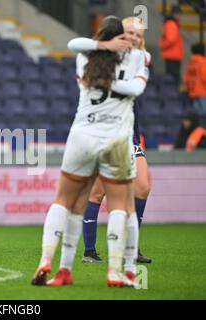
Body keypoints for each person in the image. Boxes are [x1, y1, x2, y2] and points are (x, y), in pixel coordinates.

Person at [31, 16, 148, 288]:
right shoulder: (138, 59)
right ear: (121, 36)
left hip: (82, 135)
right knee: (121, 206)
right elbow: (136, 89)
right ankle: (117, 271)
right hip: (117, 139)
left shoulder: (86, 56)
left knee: (64, 201)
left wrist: (101, 63)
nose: (132, 39)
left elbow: (75, 43)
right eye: (129, 34)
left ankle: (51, 263)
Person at [72, 17, 153, 265]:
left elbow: (145, 57)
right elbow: (77, 44)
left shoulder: (138, 59)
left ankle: (132, 246)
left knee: (143, 187)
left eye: (138, 35)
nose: (133, 38)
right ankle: (89, 251)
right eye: (129, 33)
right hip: (102, 132)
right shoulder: (100, 57)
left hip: (129, 133)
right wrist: (106, 47)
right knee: (97, 193)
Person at [159, 5, 183, 83]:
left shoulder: (170, 24)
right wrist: (162, 46)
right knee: (173, 79)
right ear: (175, 14)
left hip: (172, 55)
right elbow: (171, 39)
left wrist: (163, 45)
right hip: (173, 56)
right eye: (179, 15)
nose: (180, 17)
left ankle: (171, 93)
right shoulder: (171, 24)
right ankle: (172, 94)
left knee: (171, 78)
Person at [183, 43, 206, 114]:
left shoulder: (190, 62)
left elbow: (186, 78)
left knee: (198, 115)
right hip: (203, 92)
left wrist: (190, 88)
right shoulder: (203, 62)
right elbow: (204, 77)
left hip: (193, 92)